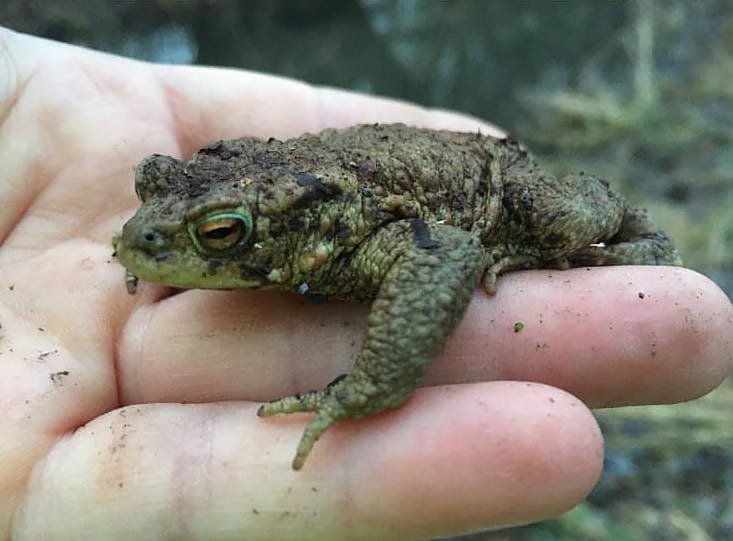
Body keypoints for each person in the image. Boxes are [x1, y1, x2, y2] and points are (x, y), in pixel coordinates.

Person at [0, 28, 731, 541]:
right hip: (356, 174)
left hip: (487, 186)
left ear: (294, 233)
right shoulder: (262, 216)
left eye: (220, 235)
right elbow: (176, 208)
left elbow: (439, 252)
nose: (142, 231)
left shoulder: (348, 234)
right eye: (148, 198)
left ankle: (638, 233)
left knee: (558, 218)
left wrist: (369, 385)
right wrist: (158, 244)